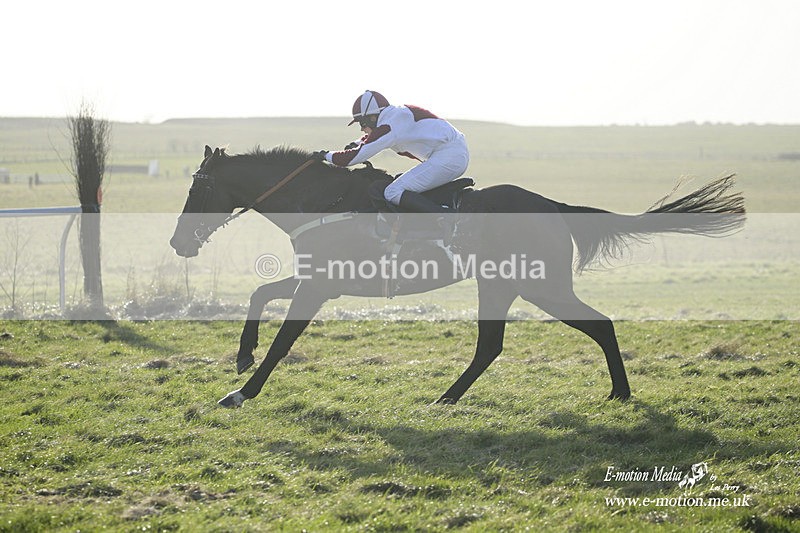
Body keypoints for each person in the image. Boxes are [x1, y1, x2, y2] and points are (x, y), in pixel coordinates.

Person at [312, 90, 469, 214]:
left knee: (393, 192)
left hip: (449, 157)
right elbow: (371, 138)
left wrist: (326, 155)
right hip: (448, 154)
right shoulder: (394, 117)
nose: (361, 128)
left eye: (362, 122)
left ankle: (446, 217)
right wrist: (355, 143)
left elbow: (352, 159)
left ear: (373, 118)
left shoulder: (390, 126)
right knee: (401, 184)